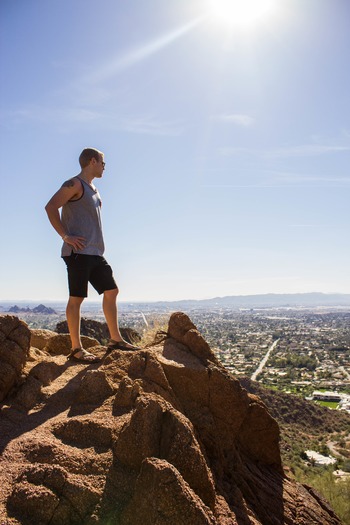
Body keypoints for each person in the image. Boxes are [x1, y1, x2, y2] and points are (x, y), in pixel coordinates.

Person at [45, 147, 139, 363]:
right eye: (103, 163)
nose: (105, 167)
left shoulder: (94, 189)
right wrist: (65, 236)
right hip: (77, 252)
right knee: (76, 299)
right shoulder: (74, 184)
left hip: (95, 252)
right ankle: (76, 349)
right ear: (92, 161)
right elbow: (50, 207)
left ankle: (115, 340)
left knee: (112, 290)